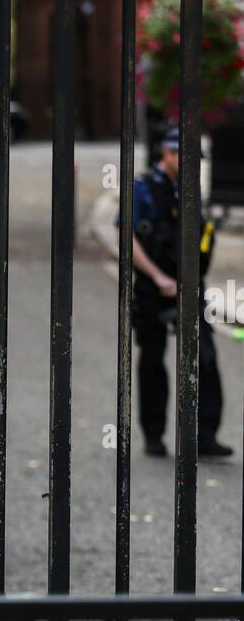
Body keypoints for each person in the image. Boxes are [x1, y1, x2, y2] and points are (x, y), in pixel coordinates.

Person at [130, 126, 230, 458]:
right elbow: (124, 238)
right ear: (168, 154)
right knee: (153, 361)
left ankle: (205, 435)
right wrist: (158, 278)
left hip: (189, 288)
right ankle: (154, 436)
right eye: (186, 158)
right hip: (151, 285)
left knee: (205, 359)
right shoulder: (142, 189)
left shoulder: (188, 190)